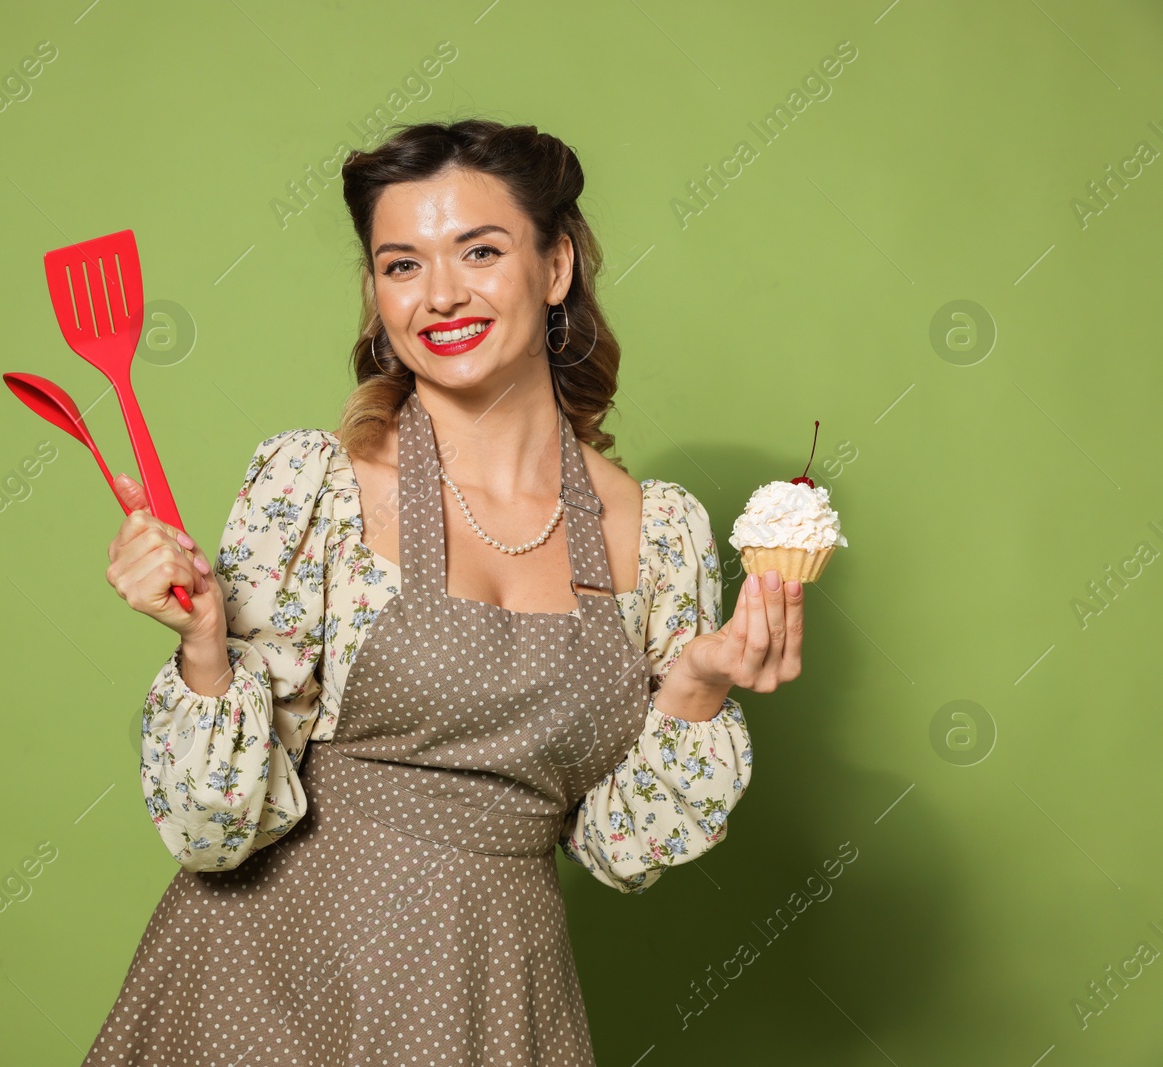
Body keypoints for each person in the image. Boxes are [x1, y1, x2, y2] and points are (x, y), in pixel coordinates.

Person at [83, 118, 805, 1066]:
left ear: (555, 269)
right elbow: (213, 834)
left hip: (494, 994)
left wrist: (699, 682)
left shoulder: (656, 532)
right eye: (401, 264)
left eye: (479, 250)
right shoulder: (320, 491)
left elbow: (619, 849)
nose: (441, 295)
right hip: (267, 989)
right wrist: (206, 647)